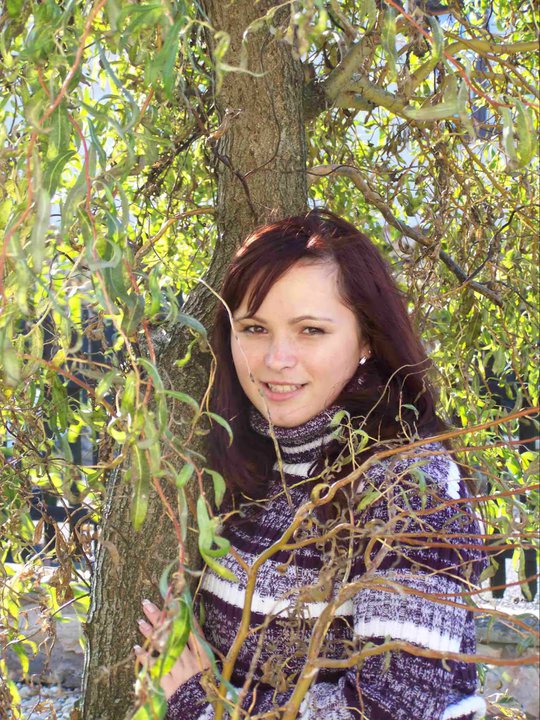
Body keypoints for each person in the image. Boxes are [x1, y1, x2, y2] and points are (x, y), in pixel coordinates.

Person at [136, 210, 486, 719]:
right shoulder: (239, 455)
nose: (277, 358)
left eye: (311, 330)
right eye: (254, 328)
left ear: (366, 338)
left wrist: (202, 705)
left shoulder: (409, 486)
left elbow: (394, 708)